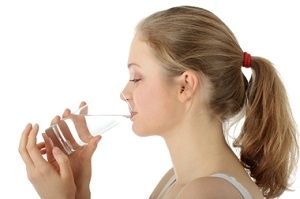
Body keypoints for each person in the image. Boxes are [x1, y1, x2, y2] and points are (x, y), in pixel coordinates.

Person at [19, 5, 298, 199]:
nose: (124, 92)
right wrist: (79, 192)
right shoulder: (176, 180)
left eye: (136, 77)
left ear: (185, 86)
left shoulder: (205, 193)